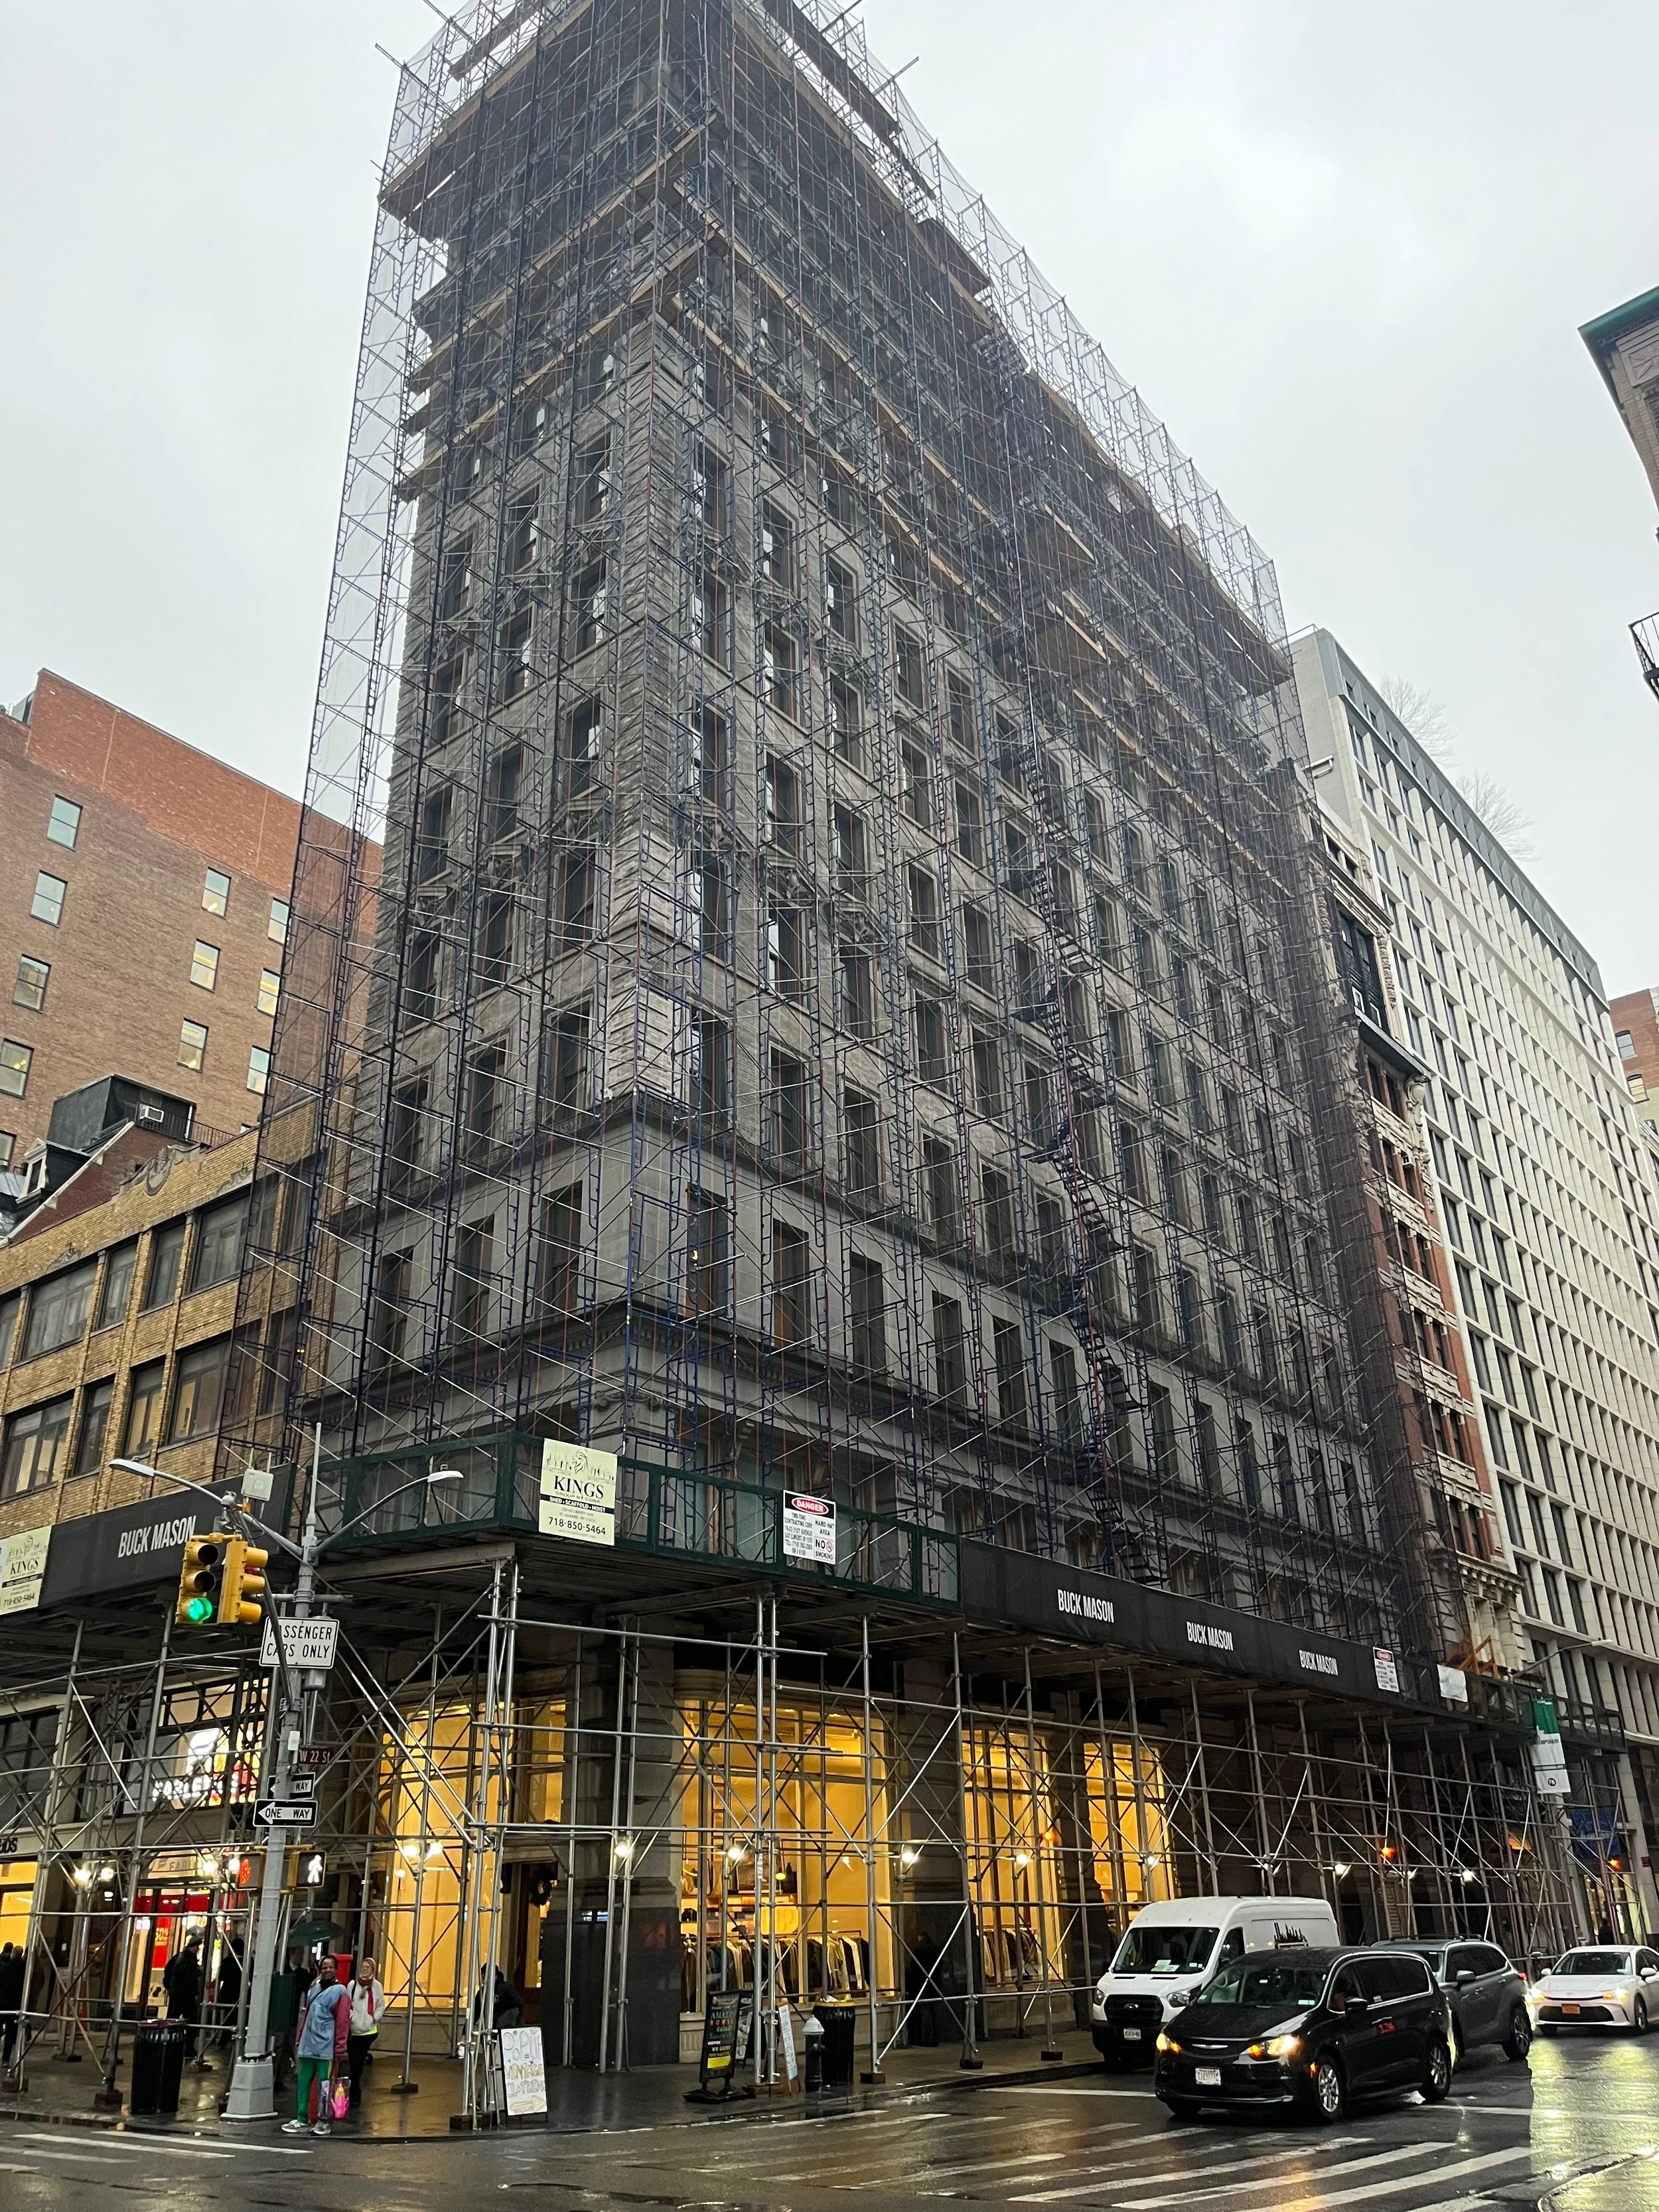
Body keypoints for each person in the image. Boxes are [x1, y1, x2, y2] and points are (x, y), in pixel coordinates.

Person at [284, 1956, 348, 2136]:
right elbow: (306, 2016)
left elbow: (342, 2022)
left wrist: (339, 2048)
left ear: (336, 1970)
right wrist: (299, 2038)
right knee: (303, 2083)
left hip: (325, 2048)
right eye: (324, 1967)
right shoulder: (315, 1988)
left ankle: (323, 2120)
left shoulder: (340, 1992)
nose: (327, 1970)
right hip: (307, 2045)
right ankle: (302, 2118)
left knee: (325, 2086)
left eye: (330, 1967)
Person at [345, 1955, 385, 2110]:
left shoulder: (377, 1986)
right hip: (354, 2031)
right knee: (354, 2064)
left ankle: (355, 2094)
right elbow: (347, 2004)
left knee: (358, 2064)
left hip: (368, 2031)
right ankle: (354, 2090)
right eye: (363, 1967)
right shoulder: (353, 1985)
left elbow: (381, 2005)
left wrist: (374, 2018)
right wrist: (352, 2018)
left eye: (368, 1967)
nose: (365, 1969)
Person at [162, 1933, 204, 2059]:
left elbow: (168, 1971)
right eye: (198, 1946)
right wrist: (199, 1972)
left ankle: (168, 2043)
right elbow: (188, 1976)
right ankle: (188, 2048)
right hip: (186, 1995)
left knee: (173, 2019)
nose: (198, 1949)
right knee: (190, 2022)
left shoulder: (179, 1957)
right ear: (194, 1946)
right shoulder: (188, 1960)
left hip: (177, 1995)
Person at [473, 1962, 523, 2033]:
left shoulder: (505, 1989)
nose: (484, 1981)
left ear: (495, 1976)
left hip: (504, 2028)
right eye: (483, 1977)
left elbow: (518, 2006)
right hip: (499, 2028)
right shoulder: (483, 1992)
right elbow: (476, 2012)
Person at [0, 1941, 24, 2069]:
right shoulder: (26, 1969)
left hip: (2, 2003)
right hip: (16, 2005)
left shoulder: (5, 1968)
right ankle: (5, 2059)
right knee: (11, 2032)